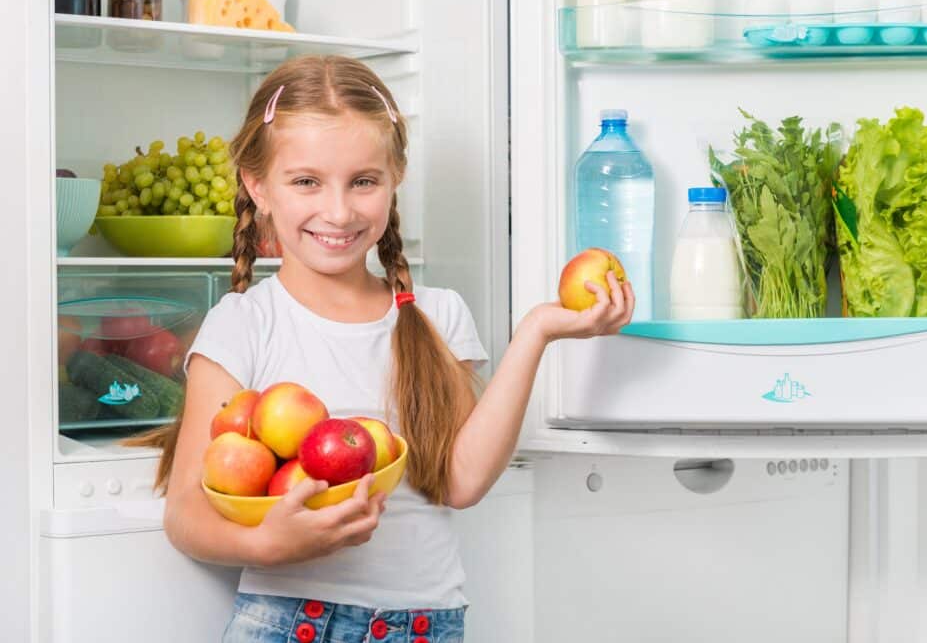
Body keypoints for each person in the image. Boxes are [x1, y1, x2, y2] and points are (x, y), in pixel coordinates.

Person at [132, 54, 633, 641]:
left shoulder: (437, 315)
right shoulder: (244, 323)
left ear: (394, 179)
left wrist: (537, 333)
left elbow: (461, 482)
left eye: (363, 181)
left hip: (427, 624)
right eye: (306, 182)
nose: (339, 211)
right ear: (258, 186)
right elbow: (186, 515)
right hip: (293, 622)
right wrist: (265, 544)